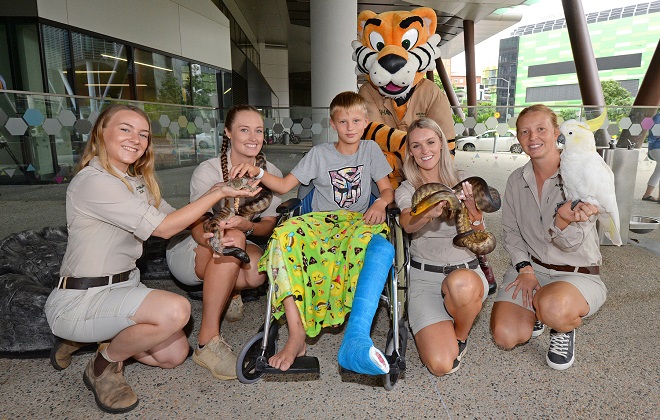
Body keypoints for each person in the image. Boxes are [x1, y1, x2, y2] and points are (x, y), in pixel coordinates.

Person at [44, 104, 260, 413]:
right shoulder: (94, 181)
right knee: (177, 310)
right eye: (125, 129)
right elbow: (163, 228)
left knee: (174, 355)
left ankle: (101, 337)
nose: (136, 138)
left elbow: (181, 218)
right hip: (83, 297)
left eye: (143, 134)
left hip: (124, 290)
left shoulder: (135, 182)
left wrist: (216, 232)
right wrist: (217, 191)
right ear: (101, 132)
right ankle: (103, 365)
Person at [231, 91, 395, 375]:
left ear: (366, 122)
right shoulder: (319, 154)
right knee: (283, 235)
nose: (350, 127)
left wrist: (380, 201)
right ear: (333, 124)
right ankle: (296, 335)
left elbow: (387, 189)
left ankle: (352, 333)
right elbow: (283, 187)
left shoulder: (371, 150)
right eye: (343, 122)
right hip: (319, 222)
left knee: (370, 241)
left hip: (355, 221)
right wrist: (256, 171)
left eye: (356, 120)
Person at [165, 105, 282, 380]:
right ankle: (207, 342)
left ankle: (229, 290)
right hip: (195, 248)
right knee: (234, 237)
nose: (253, 137)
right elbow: (195, 227)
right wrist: (223, 233)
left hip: (237, 243)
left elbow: (268, 225)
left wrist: (247, 225)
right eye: (244, 129)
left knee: (257, 273)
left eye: (259, 130)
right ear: (228, 132)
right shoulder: (208, 171)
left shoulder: (269, 172)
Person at [490, 104, 607, 371]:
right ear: (518, 138)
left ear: (556, 132)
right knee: (506, 336)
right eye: (525, 132)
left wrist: (562, 221)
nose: (533, 138)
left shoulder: (580, 177)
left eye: (541, 129)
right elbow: (511, 232)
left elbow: (570, 243)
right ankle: (539, 307)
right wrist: (524, 268)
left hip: (577, 273)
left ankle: (560, 324)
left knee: (554, 307)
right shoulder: (516, 180)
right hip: (532, 270)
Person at [395, 118, 489, 376]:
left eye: (430, 142)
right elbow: (407, 223)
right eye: (416, 146)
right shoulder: (407, 189)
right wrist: (428, 212)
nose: (425, 151)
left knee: (461, 284)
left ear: (441, 145)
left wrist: (474, 212)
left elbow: (482, 240)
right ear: (410, 153)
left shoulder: (464, 182)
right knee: (440, 365)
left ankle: (460, 334)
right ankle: (446, 320)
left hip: (465, 275)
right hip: (426, 279)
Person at [642, 112, 660, 202]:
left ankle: (647, 194)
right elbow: (656, 134)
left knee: (658, 171)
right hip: (656, 148)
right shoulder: (658, 117)